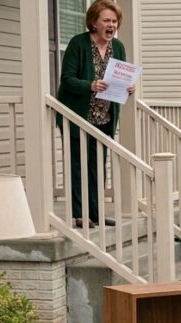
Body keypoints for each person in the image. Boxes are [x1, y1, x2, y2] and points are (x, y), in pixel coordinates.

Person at [57, 0, 135, 229]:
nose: (111, 25)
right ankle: (80, 215)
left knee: (98, 166)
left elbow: (119, 79)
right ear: (93, 22)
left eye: (114, 21)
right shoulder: (78, 43)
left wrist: (128, 88)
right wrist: (90, 85)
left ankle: (97, 213)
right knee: (78, 165)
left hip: (104, 117)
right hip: (77, 116)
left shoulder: (118, 47)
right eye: (106, 20)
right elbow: (67, 80)